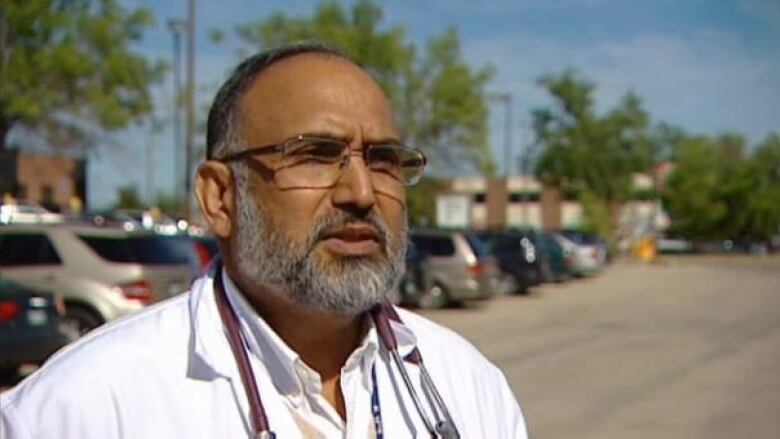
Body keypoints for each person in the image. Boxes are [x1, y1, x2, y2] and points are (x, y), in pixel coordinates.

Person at [0, 42, 527, 438]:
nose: (361, 191)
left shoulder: (466, 385)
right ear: (220, 198)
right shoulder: (82, 408)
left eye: (385, 160)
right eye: (316, 155)